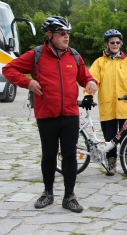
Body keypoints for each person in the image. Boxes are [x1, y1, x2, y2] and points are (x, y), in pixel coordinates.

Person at [2, 16, 98, 213]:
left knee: (70, 155)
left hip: (70, 114)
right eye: (62, 33)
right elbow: (9, 69)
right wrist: (27, 82)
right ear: (50, 35)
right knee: (49, 155)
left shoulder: (74, 55)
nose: (66, 37)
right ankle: (47, 193)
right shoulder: (36, 55)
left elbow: (85, 76)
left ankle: (69, 196)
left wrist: (91, 82)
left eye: (68, 33)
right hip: (46, 115)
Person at [84, 29, 127, 176]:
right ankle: (111, 162)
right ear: (107, 44)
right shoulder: (99, 62)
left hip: (125, 106)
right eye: (112, 42)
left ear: (120, 43)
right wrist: (89, 96)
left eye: (117, 42)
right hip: (108, 106)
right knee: (110, 138)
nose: (115, 45)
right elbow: (92, 80)